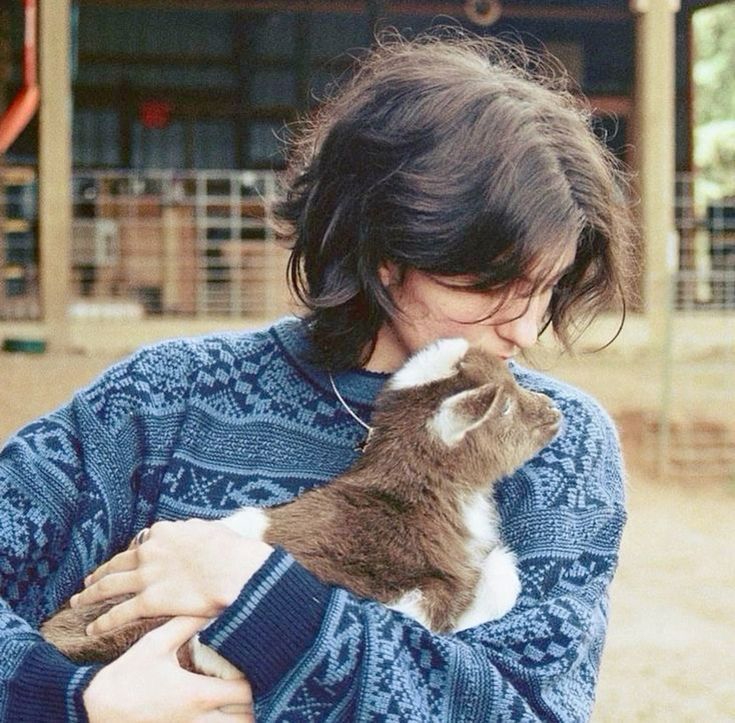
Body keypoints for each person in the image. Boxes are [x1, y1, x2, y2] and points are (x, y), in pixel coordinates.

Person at [0, 32, 635, 722]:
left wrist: (257, 593)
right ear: (386, 248)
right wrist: (71, 698)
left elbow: (531, 707)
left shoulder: (552, 444)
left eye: (546, 288)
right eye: (489, 285)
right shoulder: (164, 398)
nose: (526, 330)